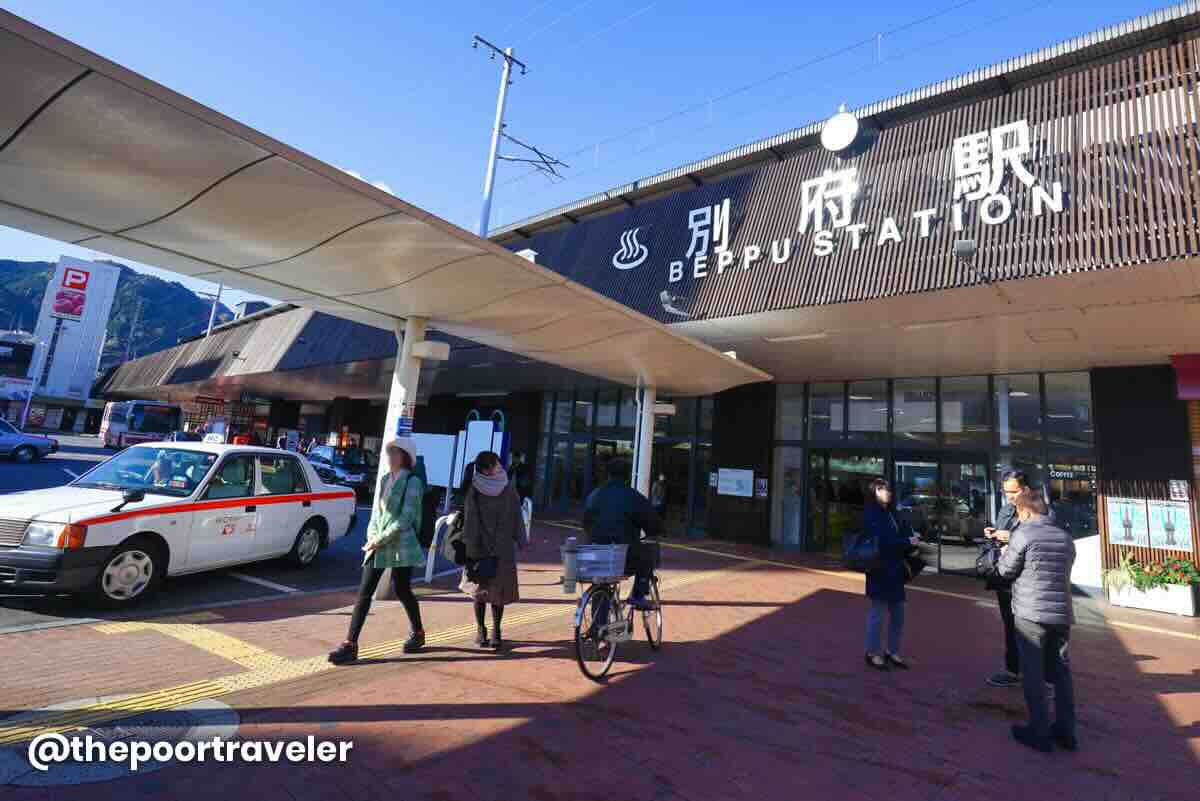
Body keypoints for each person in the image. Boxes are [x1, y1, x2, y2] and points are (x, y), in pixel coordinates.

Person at [328, 437, 426, 664]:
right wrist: (372, 536)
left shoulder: (413, 482)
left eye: (395, 452)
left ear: (406, 457)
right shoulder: (383, 479)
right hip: (379, 543)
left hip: (401, 543)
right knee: (364, 592)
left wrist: (378, 539)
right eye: (388, 452)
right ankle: (350, 645)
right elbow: (376, 514)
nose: (390, 456)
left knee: (403, 589)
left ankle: (418, 633)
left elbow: (406, 519)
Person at [995, 492, 1077, 752]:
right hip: (1061, 614)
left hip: (1031, 613)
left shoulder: (1024, 534)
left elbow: (1005, 571)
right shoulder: (1065, 538)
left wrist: (1004, 553)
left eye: (1019, 514)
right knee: (1061, 673)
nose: (1019, 519)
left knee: (1033, 672)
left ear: (1027, 512)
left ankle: (1038, 731)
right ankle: (1066, 731)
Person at [985, 470, 1057, 688]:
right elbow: (1003, 538)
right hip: (1007, 578)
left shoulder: (1040, 510)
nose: (1009, 496)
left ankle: (1046, 678)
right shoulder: (1006, 510)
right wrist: (994, 535)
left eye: (1013, 491)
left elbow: (1044, 540)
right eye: (1005, 492)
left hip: (1029, 580)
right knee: (1010, 625)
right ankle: (1013, 669)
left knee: (1035, 629)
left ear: (1025, 489)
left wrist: (1013, 538)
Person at [458, 451, 525, 649]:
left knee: (480, 591)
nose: (500, 466)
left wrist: (470, 548)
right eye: (496, 464)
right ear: (488, 469)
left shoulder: (475, 489)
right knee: (498, 593)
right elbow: (517, 517)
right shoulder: (508, 487)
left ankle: (482, 631)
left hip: (479, 548)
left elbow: (470, 523)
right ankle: (495, 631)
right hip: (502, 548)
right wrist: (522, 540)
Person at [582, 460, 662, 609]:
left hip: (595, 556)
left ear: (608, 475)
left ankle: (597, 627)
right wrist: (652, 531)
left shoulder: (595, 494)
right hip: (622, 557)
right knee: (647, 553)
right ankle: (638, 595)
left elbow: (585, 522)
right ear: (627, 476)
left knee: (601, 580)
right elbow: (653, 523)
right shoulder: (632, 496)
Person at [863, 478, 922, 671]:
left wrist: (912, 537)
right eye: (883, 489)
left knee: (898, 614)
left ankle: (892, 651)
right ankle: (872, 653)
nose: (888, 492)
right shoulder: (872, 513)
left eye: (888, 489)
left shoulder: (892, 512)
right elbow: (883, 541)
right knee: (877, 613)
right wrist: (907, 541)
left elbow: (901, 531)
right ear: (875, 491)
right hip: (879, 569)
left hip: (895, 570)